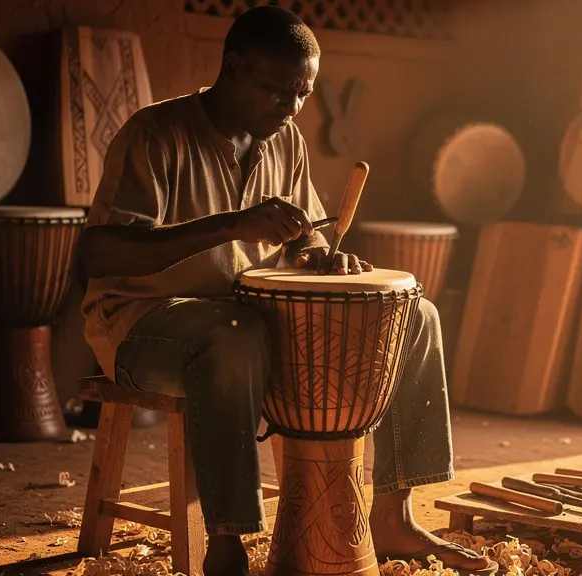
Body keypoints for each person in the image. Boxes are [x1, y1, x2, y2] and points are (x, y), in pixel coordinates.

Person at [79, 6, 497, 576]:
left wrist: (319, 257)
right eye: (278, 91)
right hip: (144, 322)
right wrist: (227, 224)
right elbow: (98, 253)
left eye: (303, 93)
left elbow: (298, 242)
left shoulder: (285, 139)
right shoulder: (154, 134)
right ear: (232, 67)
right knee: (234, 335)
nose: (292, 108)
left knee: (413, 314)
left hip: (244, 319)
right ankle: (226, 543)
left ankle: (394, 515)